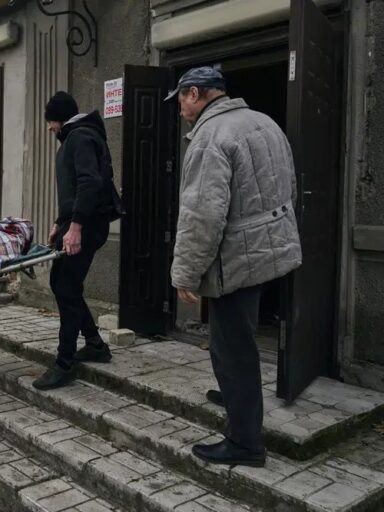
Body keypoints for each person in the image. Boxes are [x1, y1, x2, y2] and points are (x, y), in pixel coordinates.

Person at [166, 67, 302, 466]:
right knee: (238, 337)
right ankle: (234, 395)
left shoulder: (210, 137)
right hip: (268, 250)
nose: (179, 109)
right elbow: (289, 187)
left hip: (237, 258)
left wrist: (185, 273)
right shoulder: (265, 123)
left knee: (232, 348)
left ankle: (245, 444)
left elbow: (202, 216)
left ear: (195, 93)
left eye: (180, 100)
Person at [33, 91, 123, 390]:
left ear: (59, 118)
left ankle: (65, 363)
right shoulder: (75, 137)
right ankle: (95, 344)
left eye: (50, 121)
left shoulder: (81, 137)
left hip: (86, 226)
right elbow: (72, 190)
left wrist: (75, 227)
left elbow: (89, 182)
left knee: (66, 287)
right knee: (62, 284)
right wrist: (59, 223)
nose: (49, 128)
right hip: (76, 224)